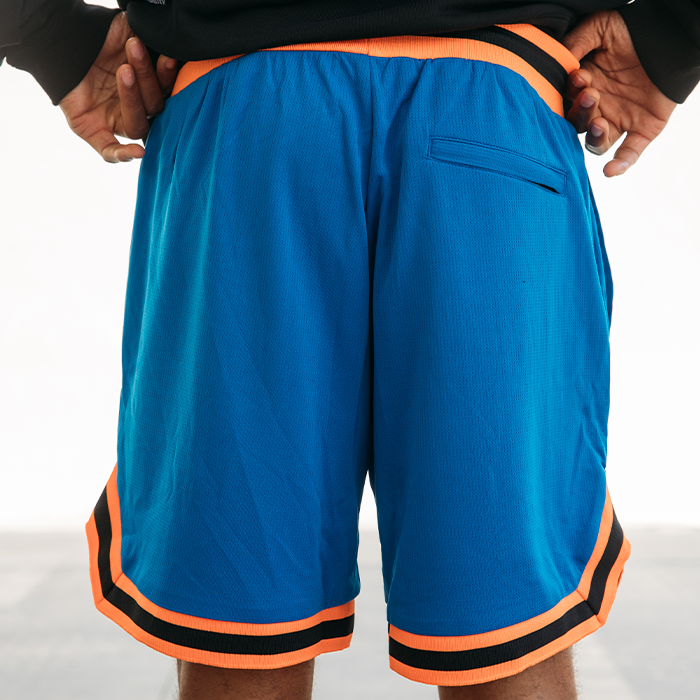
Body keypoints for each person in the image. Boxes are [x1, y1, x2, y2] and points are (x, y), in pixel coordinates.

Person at [1, 2, 698, 699]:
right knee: (507, 626)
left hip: (250, 114)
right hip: (492, 114)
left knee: (241, 630)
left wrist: (46, 31)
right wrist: (672, 36)